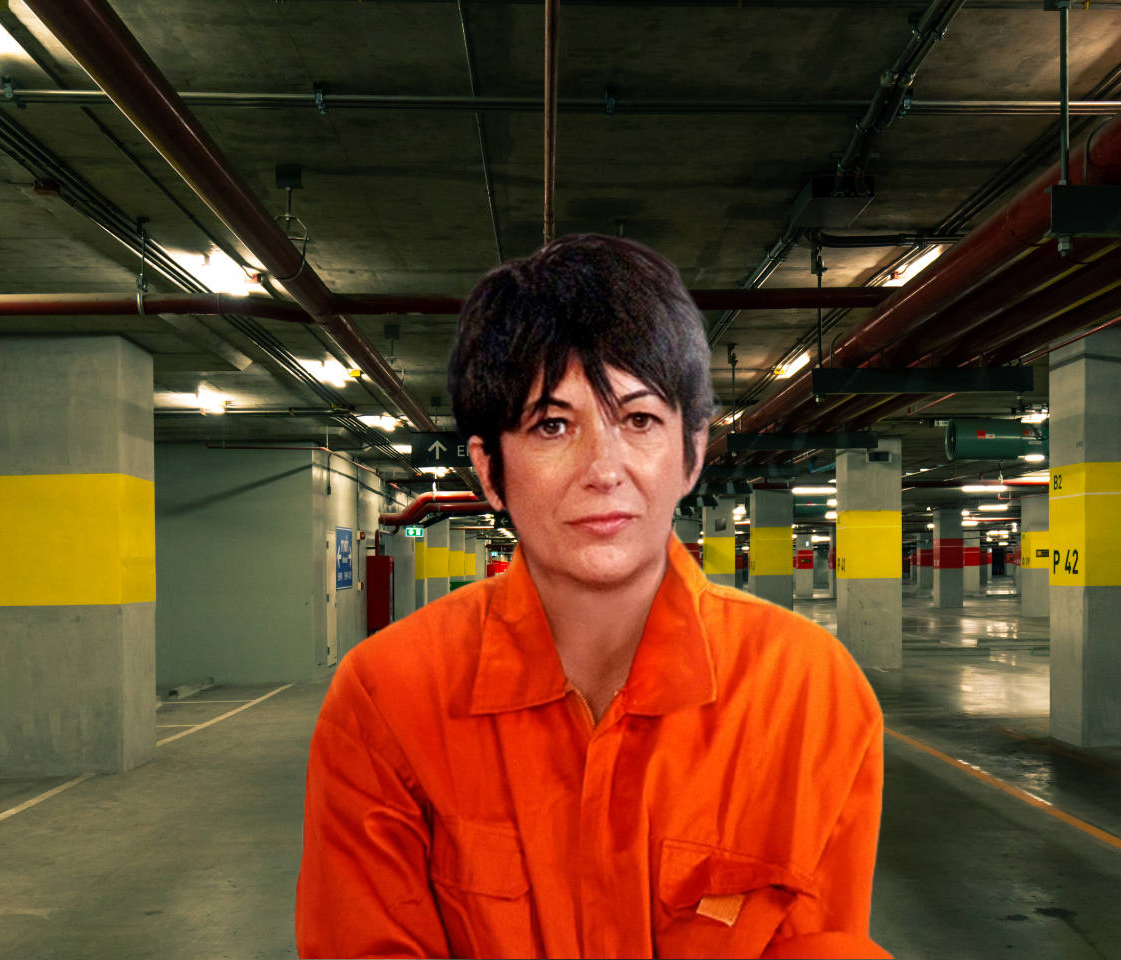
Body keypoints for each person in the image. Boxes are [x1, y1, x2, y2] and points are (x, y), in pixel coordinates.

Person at [296, 234, 888, 959]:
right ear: (489, 470)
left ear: (692, 451)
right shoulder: (387, 697)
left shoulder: (808, 691)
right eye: (552, 426)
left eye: (638, 420)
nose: (603, 468)